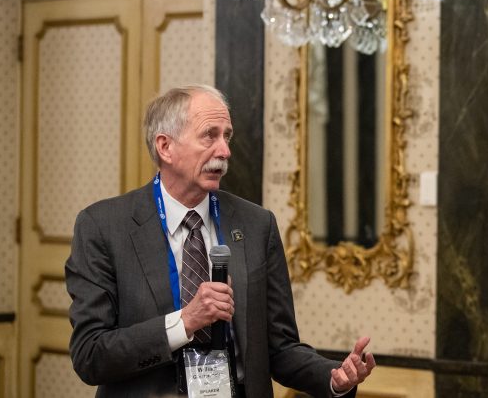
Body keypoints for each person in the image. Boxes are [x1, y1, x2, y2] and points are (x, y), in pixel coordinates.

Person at [66, 84, 375, 397]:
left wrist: (333, 377)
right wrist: (185, 322)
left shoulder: (256, 225)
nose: (225, 150)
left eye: (227, 136)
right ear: (165, 147)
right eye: (209, 135)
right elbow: (90, 355)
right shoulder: (103, 227)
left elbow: (280, 348)